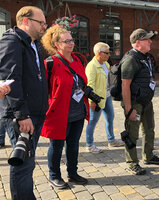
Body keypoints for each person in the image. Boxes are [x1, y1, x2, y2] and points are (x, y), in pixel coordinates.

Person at [0, 6, 49, 200]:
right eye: (41, 22)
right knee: (23, 162)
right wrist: (22, 114)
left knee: (28, 160)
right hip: (22, 115)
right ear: (26, 21)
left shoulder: (33, 43)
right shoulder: (12, 41)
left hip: (35, 112)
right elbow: (10, 79)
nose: (44, 27)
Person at [41, 25, 89, 189]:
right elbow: (41, 90)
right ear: (56, 44)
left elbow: (81, 84)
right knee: (56, 146)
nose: (71, 43)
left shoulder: (78, 60)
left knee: (74, 145)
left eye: (72, 40)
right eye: (66, 41)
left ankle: (72, 173)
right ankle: (54, 176)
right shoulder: (50, 63)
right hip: (59, 114)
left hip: (78, 112)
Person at [121, 28, 159, 175]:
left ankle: (149, 156)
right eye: (147, 39)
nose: (150, 41)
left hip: (146, 101)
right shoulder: (131, 59)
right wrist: (129, 109)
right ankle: (132, 162)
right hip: (134, 103)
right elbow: (125, 85)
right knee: (132, 133)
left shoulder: (144, 56)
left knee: (149, 129)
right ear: (138, 42)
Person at [85, 42, 124, 153]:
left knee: (110, 117)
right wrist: (92, 101)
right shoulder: (91, 66)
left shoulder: (105, 64)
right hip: (96, 99)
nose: (109, 55)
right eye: (106, 53)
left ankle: (111, 140)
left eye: (109, 52)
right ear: (99, 53)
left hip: (106, 97)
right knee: (92, 122)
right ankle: (89, 144)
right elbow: (89, 85)